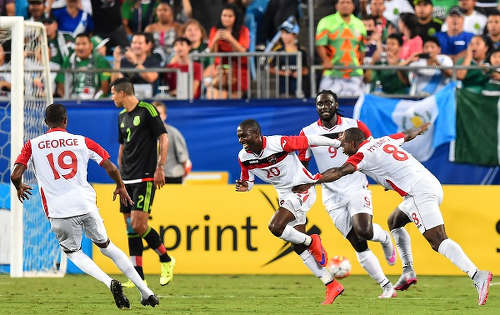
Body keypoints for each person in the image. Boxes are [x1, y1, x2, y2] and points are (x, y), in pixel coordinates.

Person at [292, 124, 492, 305]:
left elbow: (339, 171)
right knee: (394, 221)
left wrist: (312, 182)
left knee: (437, 240)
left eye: (343, 144)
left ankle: (476, 275)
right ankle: (408, 270)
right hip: (430, 184)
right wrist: (422, 127)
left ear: (353, 143)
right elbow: (407, 135)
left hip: (417, 193)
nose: (341, 148)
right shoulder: (383, 140)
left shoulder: (361, 154)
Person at [10, 103, 159, 309]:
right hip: (86, 204)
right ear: (66, 121)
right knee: (108, 246)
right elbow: (111, 166)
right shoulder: (82, 141)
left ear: (45, 123)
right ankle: (146, 292)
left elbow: (15, 174)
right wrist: (120, 186)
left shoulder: (32, 145)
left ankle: (110, 283)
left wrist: (19, 187)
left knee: (73, 253)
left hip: (59, 211)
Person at [298, 90, 397, 299]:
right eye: (320, 104)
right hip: (331, 194)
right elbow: (302, 166)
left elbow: (374, 154)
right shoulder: (307, 133)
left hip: (355, 185)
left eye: (328, 103)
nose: (324, 107)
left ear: (336, 105)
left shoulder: (356, 126)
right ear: (316, 108)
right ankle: (386, 286)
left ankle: (385, 239)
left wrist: (384, 178)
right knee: (358, 243)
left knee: (364, 230)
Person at [235, 119, 345, 305]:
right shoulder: (243, 157)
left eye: (244, 136)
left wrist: (337, 142)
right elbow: (249, 181)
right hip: (285, 195)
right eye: (239, 137)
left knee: (275, 227)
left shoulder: (278, 143)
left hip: (302, 188)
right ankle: (331, 284)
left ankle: (312, 240)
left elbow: (309, 140)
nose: (241, 140)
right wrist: (245, 186)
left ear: (257, 134)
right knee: (298, 246)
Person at [111, 77, 175, 288]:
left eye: (113, 93)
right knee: (130, 227)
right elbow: (123, 148)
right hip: (127, 178)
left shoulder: (147, 110)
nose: (112, 97)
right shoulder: (121, 117)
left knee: (139, 224)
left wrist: (160, 166)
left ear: (122, 93)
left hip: (145, 175)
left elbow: (163, 137)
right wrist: (119, 178)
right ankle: (138, 276)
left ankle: (166, 259)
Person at [315, 0, 367, 96]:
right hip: (332, 73)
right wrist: (326, 60)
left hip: (355, 74)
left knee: (356, 107)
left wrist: (361, 66)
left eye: (348, 2)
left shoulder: (359, 24)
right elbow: (320, 44)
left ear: (353, 6)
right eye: (342, 2)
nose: (345, 5)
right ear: (336, 6)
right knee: (326, 105)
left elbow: (362, 48)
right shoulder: (326, 22)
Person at [205, 3, 250, 99]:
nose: (226, 19)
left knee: (234, 98)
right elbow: (212, 52)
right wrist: (215, 39)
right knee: (215, 95)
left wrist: (231, 39)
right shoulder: (215, 30)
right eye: (224, 15)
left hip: (239, 69)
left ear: (236, 17)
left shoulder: (243, 30)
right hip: (221, 68)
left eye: (230, 16)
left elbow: (243, 51)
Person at [55, 33, 111, 99]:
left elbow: (105, 86)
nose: (80, 47)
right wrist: (68, 100)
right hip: (72, 101)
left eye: (84, 44)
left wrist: (96, 100)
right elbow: (60, 82)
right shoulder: (69, 60)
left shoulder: (101, 60)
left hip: (95, 102)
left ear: (91, 45)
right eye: (77, 44)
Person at [111, 33, 162, 99]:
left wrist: (135, 62)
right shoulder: (124, 61)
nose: (136, 46)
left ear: (148, 45)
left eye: (140, 43)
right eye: (134, 43)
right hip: (128, 98)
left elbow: (151, 78)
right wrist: (117, 61)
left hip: (150, 99)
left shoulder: (154, 60)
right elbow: (115, 83)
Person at [153, 101, 192, 183]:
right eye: (153, 114)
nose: (156, 116)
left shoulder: (174, 133)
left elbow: (184, 160)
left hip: (172, 178)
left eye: (159, 113)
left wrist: (182, 175)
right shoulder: (144, 135)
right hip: (153, 178)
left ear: (165, 116)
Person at [268, 20, 309, 97]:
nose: (283, 36)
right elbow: (269, 68)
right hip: (283, 90)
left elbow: (306, 70)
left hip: (300, 90)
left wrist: (300, 73)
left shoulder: (302, 50)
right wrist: (283, 73)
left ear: (294, 35)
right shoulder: (278, 50)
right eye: (282, 33)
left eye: (286, 33)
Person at [144, 1, 183, 66]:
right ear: (156, 12)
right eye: (159, 10)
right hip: (154, 57)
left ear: (171, 12)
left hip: (173, 57)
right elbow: (146, 45)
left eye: (165, 10)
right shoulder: (150, 28)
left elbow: (181, 45)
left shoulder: (178, 27)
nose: (162, 12)